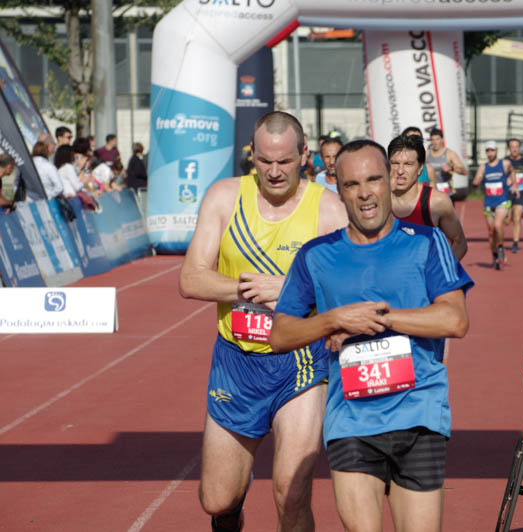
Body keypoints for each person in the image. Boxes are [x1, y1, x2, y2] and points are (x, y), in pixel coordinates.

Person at [270, 139, 472, 532]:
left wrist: (380, 318)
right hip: (351, 419)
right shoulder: (316, 255)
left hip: (418, 414)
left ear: (389, 181)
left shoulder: (428, 242)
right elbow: (280, 334)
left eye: (374, 180)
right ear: (338, 188)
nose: (364, 193)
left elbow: (455, 320)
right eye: (352, 184)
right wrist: (333, 320)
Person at [178, 111, 347, 532]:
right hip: (237, 361)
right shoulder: (224, 197)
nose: (273, 171)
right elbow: (191, 278)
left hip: (301, 361)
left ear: (304, 155)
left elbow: (352, 290)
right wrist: (247, 289)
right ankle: (234, 504)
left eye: (284, 161)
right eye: (264, 161)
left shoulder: (328, 210)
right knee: (217, 499)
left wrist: (291, 290)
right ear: (252, 154)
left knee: (292, 492)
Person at [389, 133, 467, 261]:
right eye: (395, 163)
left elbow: (459, 243)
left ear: (420, 168)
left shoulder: (437, 202)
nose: (400, 171)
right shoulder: (378, 199)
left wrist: (440, 271)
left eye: (408, 164)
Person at [471, 140, 515, 270]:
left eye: (492, 150)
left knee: (497, 225)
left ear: (496, 151)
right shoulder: (483, 167)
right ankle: (494, 255)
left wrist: (513, 183)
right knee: (491, 232)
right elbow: (477, 179)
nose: (490, 153)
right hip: (489, 203)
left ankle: (500, 247)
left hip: (502, 201)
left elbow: (512, 172)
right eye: (488, 151)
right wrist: (476, 182)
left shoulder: (504, 163)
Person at [505, 138, 523, 253]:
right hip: (507, 193)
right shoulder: (505, 161)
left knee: (517, 218)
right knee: (507, 221)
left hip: (520, 192)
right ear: (509, 148)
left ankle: (515, 243)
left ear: (519, 148)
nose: (515, 149)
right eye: (512, 147)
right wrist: (506, 181)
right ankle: (509, 215)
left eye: (516, 147)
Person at [427, 127, 467, 197]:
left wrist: (451, 168)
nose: (435, 142)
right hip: (432, 192)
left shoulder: (450, 154)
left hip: (447, 193)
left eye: (437, 139)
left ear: (442, 139)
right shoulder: (427, 154)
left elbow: (464, 172)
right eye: (433, 140)